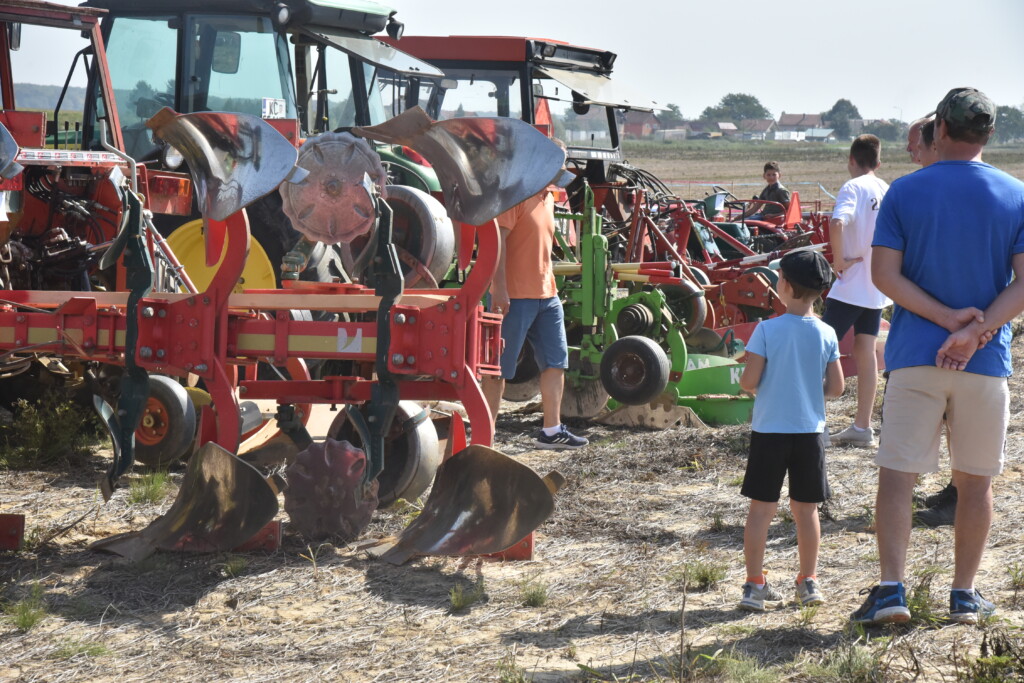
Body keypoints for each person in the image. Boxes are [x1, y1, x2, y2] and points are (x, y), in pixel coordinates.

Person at [852, 87, 1024, 625]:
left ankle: (890, 592)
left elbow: (884, 276)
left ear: (940, 131)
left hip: (916, 356)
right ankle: (964, 596)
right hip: (985, 362)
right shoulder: (1017, 194)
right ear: (987, 134)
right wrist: (976, 330)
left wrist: (947, 320)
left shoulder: (906, 192)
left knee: (898, 477)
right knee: (976, 483)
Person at [737, 250, 844, 611]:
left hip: (769, 432)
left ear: (783, 285)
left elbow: (749, 381)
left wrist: (756, 380)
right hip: (810, 432)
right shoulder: (827, 333)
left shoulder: (766, 329)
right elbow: (837, 388)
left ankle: (754, 586)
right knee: (806, 510)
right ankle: (808, 581)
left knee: (760, 511)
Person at [481, 141, 588, 450]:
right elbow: (496, 244)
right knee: (498, 369)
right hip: (513, 296)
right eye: (558, 165)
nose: (561, 174)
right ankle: (485, 435)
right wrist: (499, 288)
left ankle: (551, 431)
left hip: (547, 294)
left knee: (556, 362)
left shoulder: (549, 198)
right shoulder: (515, 196)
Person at [824, 135, 890, 446]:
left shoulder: (853, 187)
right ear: (877, 163)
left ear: (851, 160)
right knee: (866, 351)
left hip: (851, 286)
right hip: (877, 284)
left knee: (817, 347)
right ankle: (862, 427)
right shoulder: (886, 189)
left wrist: (838, 260)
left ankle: (812, 424)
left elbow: (838, 223)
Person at [911, 114, 960, 528]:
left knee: (955, 423)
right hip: (957, 334)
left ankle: (959, 496)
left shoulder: (929, 196)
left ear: (935, 142)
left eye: (915, 148)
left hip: (945, 339)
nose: (912, 155)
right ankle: (956, 490)